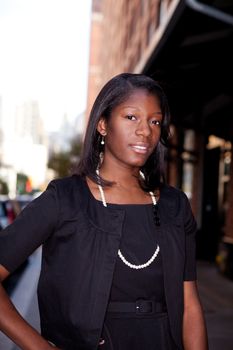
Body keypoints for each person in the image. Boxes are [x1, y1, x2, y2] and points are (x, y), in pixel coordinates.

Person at [0, 73, 208, 350]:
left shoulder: (175, 205)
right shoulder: (64, 199)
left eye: (154, 121)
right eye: (131, 117)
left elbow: (190, 305)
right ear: (102, 125)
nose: (145, 130)